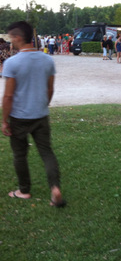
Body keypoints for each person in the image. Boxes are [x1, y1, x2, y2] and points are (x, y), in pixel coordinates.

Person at [2, 21, 66, 207]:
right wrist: (42, 106)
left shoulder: (11, 63)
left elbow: (8, 96)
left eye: (11, 37)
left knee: (20, 155)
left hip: (19, 118)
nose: (11, 41)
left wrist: (4, 120)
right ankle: (55, 188)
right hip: (40, 115)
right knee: (46, 152)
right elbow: (50, 89)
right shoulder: (47, 60)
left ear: (18, 37)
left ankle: (24, 190)